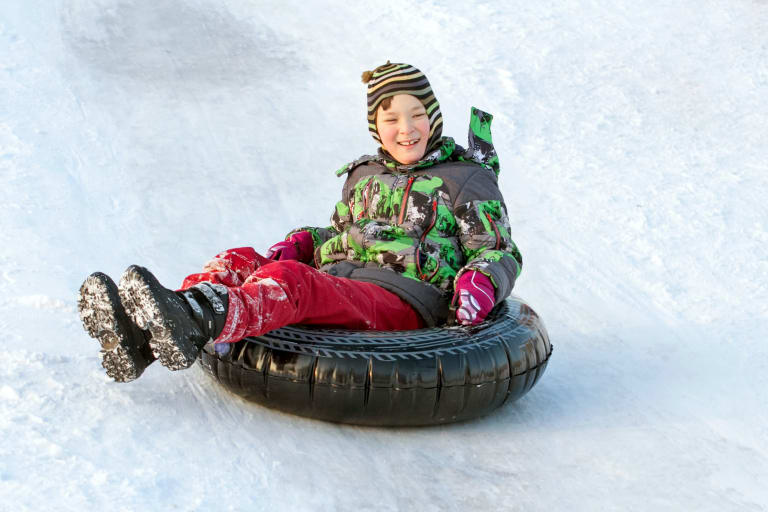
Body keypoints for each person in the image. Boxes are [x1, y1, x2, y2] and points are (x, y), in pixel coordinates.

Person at [77, 62, 523, 383]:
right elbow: (340, 232)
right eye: (391, 119)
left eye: (417, 115)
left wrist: (480, 283)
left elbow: (497, 249)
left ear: (434, 117)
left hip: (403, 297)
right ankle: (149, 332)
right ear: (376, 127)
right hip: (344, 280)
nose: (406, 129)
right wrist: (307, 241)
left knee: (290, 281)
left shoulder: (466, 179)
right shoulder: (363, 175)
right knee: (242, 259)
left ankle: (197, 316)